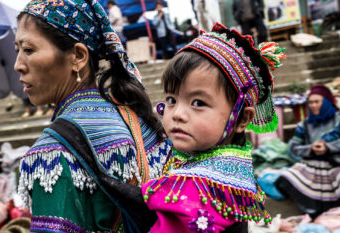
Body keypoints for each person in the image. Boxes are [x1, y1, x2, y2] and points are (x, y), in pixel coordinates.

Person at [15, 0, 171, 232]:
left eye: (28, 50)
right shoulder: (138, 118)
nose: (18, 64)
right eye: (17, 51)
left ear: (78, 56)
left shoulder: (51, 152)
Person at [140, 23, 285, 232]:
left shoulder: (201, 188)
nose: (177, 114)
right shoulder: (231, 172)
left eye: (198, 103)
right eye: (171, 99)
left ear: (242, 119)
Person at [275, 84, 340, 218]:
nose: (313, 105)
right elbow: (293, 147)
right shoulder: (304, 124)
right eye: (310, 102)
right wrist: (310, 148)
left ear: (327, 102)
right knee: (286, 179)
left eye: (317, 101)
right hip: (313, 164)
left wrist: (328, 147)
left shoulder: (338, 120)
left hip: (335, 163)